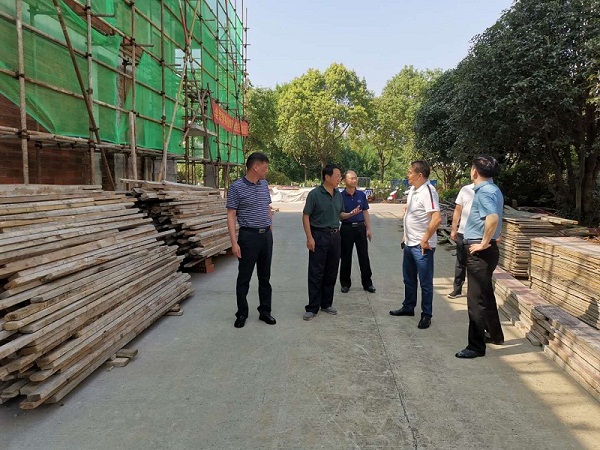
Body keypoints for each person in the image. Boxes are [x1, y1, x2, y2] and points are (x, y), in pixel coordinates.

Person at [455, 156, 504, 359]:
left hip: (480, 251)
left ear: (474, 171)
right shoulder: (494, 189)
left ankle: (475, 346)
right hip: (487, 250)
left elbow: (492, 218)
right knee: (485, 294)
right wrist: (492, 238)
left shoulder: (484, 192)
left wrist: (484, 242)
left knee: (475, 301)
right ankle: (495, 334)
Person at [302, 164, 361, 321]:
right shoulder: (315, 194)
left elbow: (340, 214)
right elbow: (306, 216)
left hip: (335, 236)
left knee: (331, 271)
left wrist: (350, 214)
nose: (339, 178)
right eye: (337, 176)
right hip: (319, 235)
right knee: (316, 272)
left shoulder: (338, 195)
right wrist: (309, 237)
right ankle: (312, 307)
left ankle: (326, 303)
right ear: (327, 177)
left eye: (340, 176)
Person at [226, 152, 276, 329]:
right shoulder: (236, 187)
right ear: (255, 167)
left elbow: (268, 207)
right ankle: (242, 313)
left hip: (265, 236)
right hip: (248, 237)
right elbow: (231, 215)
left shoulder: (264, 184)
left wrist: (270, 228)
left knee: (265, 277)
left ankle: (265, 311)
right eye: (265, 167)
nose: (266, 171)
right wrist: (234, 243)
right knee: (244, 277)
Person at [389, 161, 441, 329]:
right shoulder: (413, 190)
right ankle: (408, 306)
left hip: (422, 246)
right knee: (409, 279)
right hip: (409, 243)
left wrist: (424, 239)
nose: (408, 175)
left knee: (425, 282)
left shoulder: (428, 191)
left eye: (410, 172)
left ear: (419, 175)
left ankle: (426, 315)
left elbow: (436, 218)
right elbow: (410, 214)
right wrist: (405, 235)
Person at [339, 170, 376, 294]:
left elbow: (365, 211)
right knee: (345, 256)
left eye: (355, 178)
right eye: (351, 178)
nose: (354, 180)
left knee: (364, 256)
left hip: (360, 228)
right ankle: (345, 283)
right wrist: (350, 214)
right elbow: (339, 215)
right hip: (346, 228)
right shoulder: (340, 196)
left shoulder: (361, 195)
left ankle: (367, 283)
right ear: (344, 181)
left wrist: (368, 228)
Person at [448, 183, 475, 299]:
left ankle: (473, 292)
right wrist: (454, 229)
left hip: (477, 235)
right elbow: (458, 210)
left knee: (474, 265)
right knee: (460, 262)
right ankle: (457, 289)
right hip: (463, 232)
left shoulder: (488, 190)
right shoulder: (466, 189)